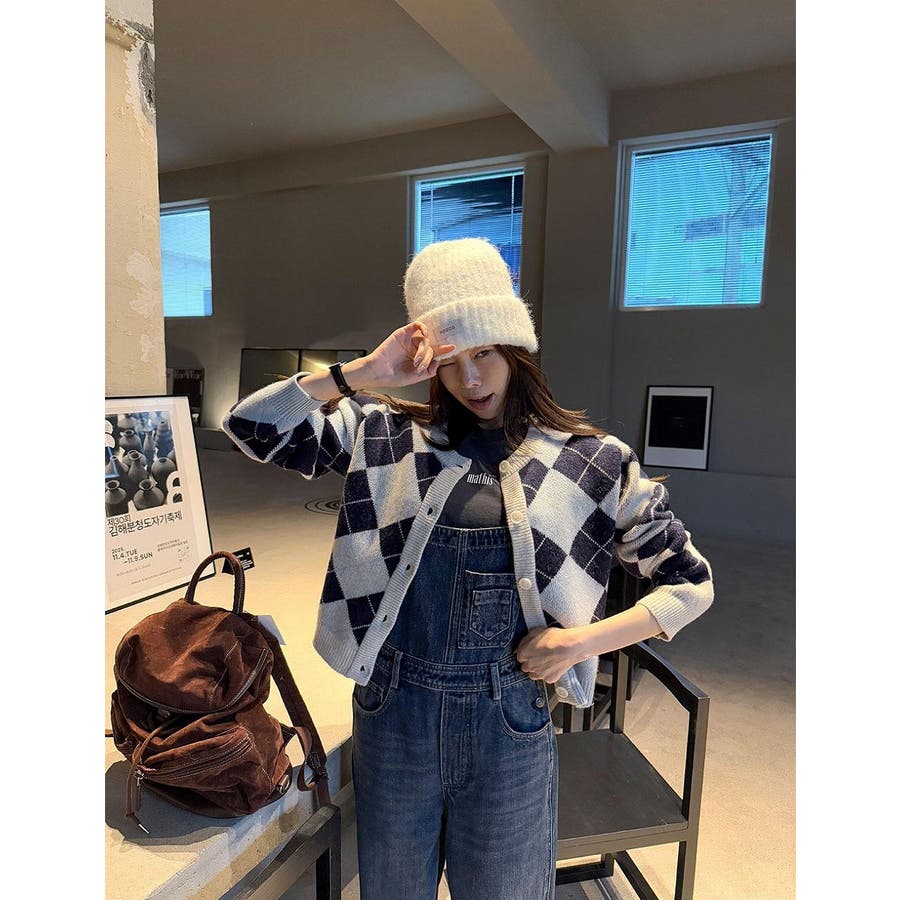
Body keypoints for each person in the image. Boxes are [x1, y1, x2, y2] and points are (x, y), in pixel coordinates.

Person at [223, 237, 714, 899]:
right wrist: (363, 373)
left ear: (514, 349)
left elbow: (691, 584)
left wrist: (579, 644)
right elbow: (250, 427)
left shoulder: (591, 461)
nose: (471, 380)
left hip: (508, 720)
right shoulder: (385, 436)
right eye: (451, 362)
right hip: (392, 712)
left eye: (484, 354)